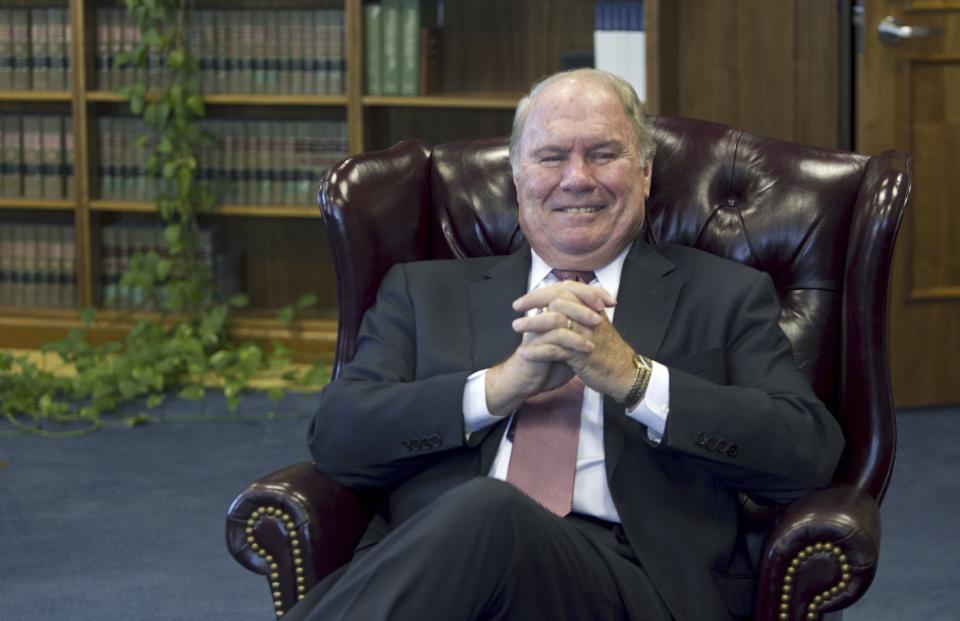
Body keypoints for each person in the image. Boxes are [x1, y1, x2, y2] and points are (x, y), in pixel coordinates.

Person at [286, 68, 845, 621]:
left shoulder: (725, 295)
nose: (577, 178)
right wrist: (497, 389)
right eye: (551, 157)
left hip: (634, 584)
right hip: (444, 577)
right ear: (516, 174)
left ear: (646, 172)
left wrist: (636, 379)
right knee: (485, 516)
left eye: (603, 154)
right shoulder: (423, 292)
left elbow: (805, 454)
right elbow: (338, 438)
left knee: (495, 511)